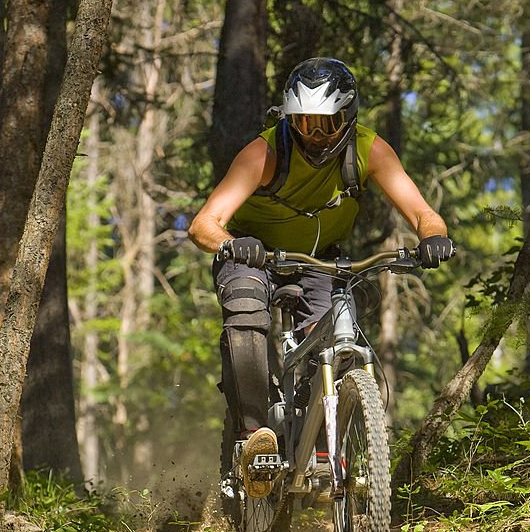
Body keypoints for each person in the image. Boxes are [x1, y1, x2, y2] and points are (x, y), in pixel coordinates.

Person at [188, 57, 454, 498]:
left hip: (319, 260)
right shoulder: (265, 152)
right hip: (251, 255)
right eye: (304, 123)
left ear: (347, 119)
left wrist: (433, 238)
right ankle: (253, 439)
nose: (315, 135)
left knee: (332, 335)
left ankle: (327, 446)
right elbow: (204, 224)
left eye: (326, 125)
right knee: (246, 315)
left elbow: (424, 212)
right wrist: (233, 243)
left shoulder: (369, 150)